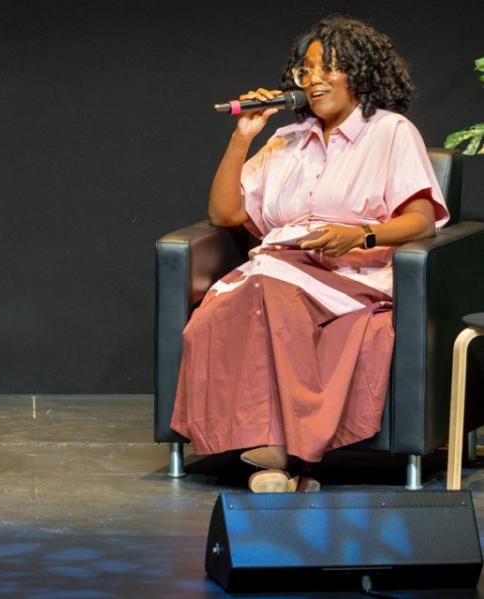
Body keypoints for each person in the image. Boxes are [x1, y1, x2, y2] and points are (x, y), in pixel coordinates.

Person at [170, 16, 449, 492]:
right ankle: (287, 465)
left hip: (352, 275)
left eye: (328, 68)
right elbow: (223, 214)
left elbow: (421, 219)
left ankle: (277, 452)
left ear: (359, 74)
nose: (314, 80)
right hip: (277, 269)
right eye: (306, 71)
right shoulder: (286, 141)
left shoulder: (390, 133)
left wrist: (360, 235)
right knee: (219, 313)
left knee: (266, 295)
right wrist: (244, 135)